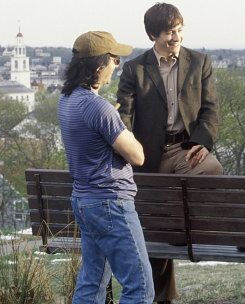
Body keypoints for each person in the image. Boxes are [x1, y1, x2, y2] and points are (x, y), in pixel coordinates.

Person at [117, 3, 223, 303]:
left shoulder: (199, 62)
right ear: (153, 34)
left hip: (185, 149)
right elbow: (124, 114)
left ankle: (182, 232)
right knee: (154, 225)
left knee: (211, 169)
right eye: (168, 32)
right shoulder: (135, 68)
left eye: (178, 30)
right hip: (147, 154)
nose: (175, 37)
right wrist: (128, 150)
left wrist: (203, 142)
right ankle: (162, 296)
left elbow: (211, 110)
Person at [58, 31, 154, 304]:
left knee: (92, 283)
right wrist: (116, 122)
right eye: (114, 59)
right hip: (111, 203)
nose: (117, 65)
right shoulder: (100, 109)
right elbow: (137, 156)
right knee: (141, 287)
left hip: (85, 201)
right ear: (99, 64)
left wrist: (108, 120)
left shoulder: (66, 100)